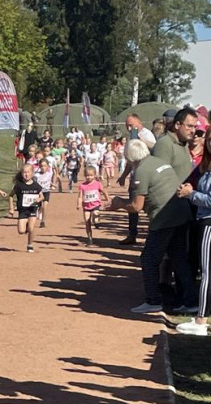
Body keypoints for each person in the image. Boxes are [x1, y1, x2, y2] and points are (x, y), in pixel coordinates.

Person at [109, 139, 196, 314]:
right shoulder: (159, 162)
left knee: (148, 259)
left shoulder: (141, 171)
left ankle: (153, 300)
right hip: (182, 214)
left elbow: (136, 206)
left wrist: (118, 204)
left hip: (165, 219)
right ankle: (191, 301)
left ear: (129, 157)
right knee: (178, 258)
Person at [176, 132, 211, 335]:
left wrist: (192, 195)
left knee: (206, 274)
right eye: (209, 139)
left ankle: (200, 320)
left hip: (208, 222)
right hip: (204, 220)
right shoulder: (206, 166)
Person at [9, 163, 43, 252]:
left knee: (31, 228)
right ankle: (26, 226)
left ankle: (30, 245)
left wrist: (38, 200)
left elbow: (42, 196)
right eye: (24, 172)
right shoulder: (19, 185)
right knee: (21, 231)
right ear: (21, 174)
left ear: (32, 173)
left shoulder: (36, 185)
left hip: (32, 209)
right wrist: (11, 208)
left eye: (28, 172)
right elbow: (11, 196)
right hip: (22, 211)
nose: (26, 174)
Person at [77, 165, 108, 245]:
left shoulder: (97, 184)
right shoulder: (82, 186)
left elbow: (104, 191)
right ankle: (90, 238)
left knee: (95, 215)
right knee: (87, 222)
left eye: (91, 175)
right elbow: (80, 196)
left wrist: (107, 198)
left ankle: (97, 221)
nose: (89, 177)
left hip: (95, 205)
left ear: (94, 175)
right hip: (86, 206)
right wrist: (79, 204)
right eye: (87, 175)